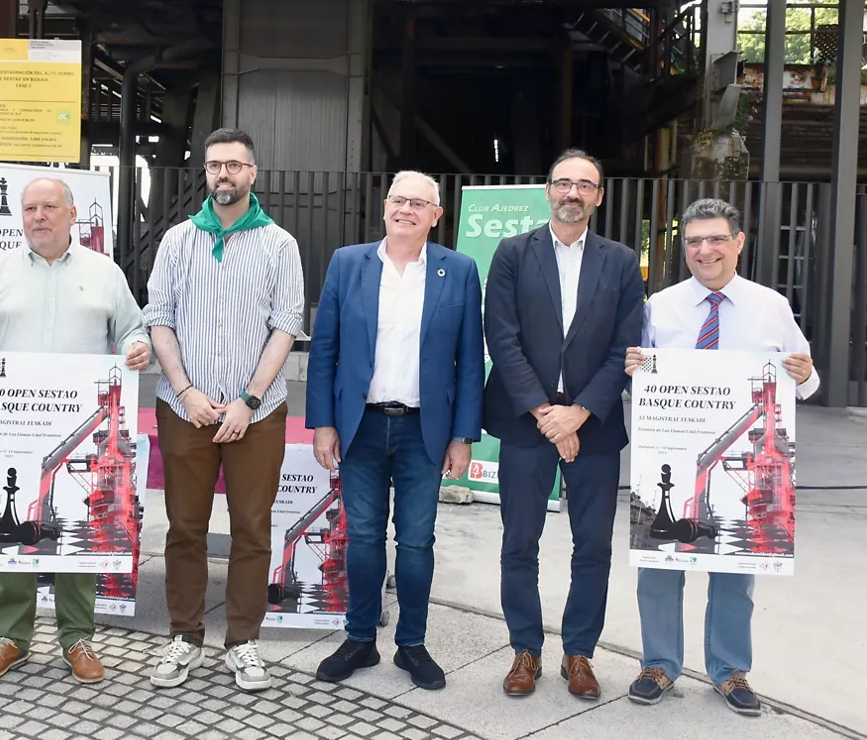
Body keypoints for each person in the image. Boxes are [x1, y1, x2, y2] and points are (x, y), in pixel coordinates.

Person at [624, 198, 817, 717]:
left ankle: (729, 671)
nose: (704, 250)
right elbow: (637, 379)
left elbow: (807, 378)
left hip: (744, 459)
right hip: (670, 450)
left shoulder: (771, 306)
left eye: (715, 239)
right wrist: (633, 367)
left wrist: (804, 375)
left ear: (738, 242)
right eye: (693, 241)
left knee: (736, 569)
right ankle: (658, 664)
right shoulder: (659, 306)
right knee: (660, 565)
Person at [0, 176, 152, 685]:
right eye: (29, 209)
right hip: (16, 422)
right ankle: (11, 636)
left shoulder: (104, 273)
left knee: (76, 525)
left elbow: (132, 328)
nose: (38, 216)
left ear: (71, 213)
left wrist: (138, 347)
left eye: (48, 206)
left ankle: (77, 637)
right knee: (9, 527)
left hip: (77, 420)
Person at [305, 171, 484, 691]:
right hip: (359, 426)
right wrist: (323, 423)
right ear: (385, 207)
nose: (406, 209)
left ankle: (412, 645)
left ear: (436, 215)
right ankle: (360, 638)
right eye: (398, 200)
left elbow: (470, 360)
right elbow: (325, 349)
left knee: (416, 542)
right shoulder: (348, 263)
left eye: (418, 203)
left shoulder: (459, 270)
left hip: (424, 430)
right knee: (362, 537)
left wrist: (463, 436)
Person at [142, 127, 305, 692]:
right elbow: (159, 317)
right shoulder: (178, 240)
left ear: (252, 173)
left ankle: (243, 641)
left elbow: (286, 326)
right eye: (214, 165)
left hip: (255, 412)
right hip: (184, 408)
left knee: (252, 529)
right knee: (185, 527)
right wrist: (185, 390)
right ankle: (184, 637)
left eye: (234, 165)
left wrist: (249, 400)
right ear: (206, 173)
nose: (223, 175)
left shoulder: (279, 244)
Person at [483, 148, 644, 700]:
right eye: (563, 183)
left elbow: (626, 346)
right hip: (527, 420)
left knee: (593, 546)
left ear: (599, 196)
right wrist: (545, 413)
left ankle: (579, 653)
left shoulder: (621, 261)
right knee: (519, 542)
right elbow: (502, 338)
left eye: (584, 185)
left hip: (593, 422)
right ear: (548, 190)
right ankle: (525, 650)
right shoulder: (512, 253)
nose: (572, 192)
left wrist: (579, 412)